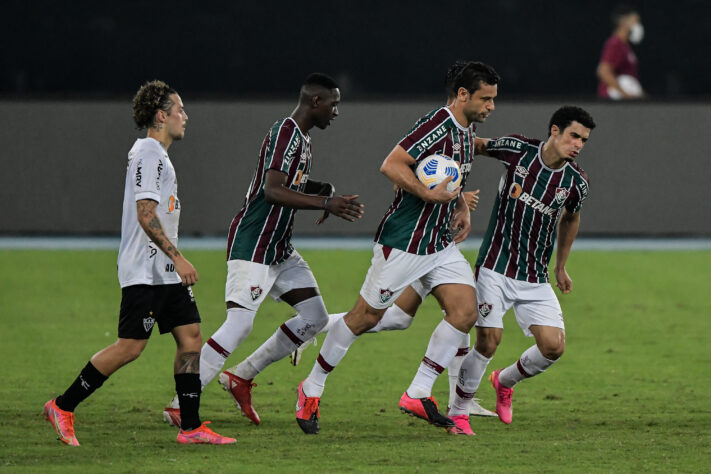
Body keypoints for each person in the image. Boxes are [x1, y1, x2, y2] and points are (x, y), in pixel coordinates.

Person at [295, 61, 500, 436]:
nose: (490, 107)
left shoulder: (467, 132)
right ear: (463, 95)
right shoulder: (436, 125)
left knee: (464, 312)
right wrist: (427, 193)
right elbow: (391, 164)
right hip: (404, 241)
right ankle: (311, 388)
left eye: (493, 100)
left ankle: (418, 391)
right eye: (485, 99)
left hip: (438, 243)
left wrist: (458, 208)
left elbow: (450, 177)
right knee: (364, 318)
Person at [162, 73, 364, 428]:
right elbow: (272, 190)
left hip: (280, 248)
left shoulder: (302, 140)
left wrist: (323, 190)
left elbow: (290, 182)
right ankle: (179, 404)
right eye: (334, 104)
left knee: (315, 318)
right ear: (315, 102)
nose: (337, 111)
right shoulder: (286, 133)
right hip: (254, 241)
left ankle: (241, 376)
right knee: (239, 324)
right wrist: (324, 202)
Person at [43, 80, 235, 446]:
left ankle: (191, 427)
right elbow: (145, 213)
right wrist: (178, 258)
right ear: (161, 116)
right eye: (180, 110)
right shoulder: (149, 153)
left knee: (191, 337)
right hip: (145, 271)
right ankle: (63, 406)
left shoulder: (156, 155)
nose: (185, 117)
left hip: (163, 273)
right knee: (130, 347)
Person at [448, 106, 594, 426]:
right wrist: (435, 155)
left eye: (583, 140)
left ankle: (504, 382)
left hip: (534, 275)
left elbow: (571, 217)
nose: (579, 144)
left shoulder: (575, 182)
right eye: (574, 136)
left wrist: (561, 266)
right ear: (554, 131)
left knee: (554, 347)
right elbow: (477, 144)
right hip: (495, 267)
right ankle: (459, 411)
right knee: (489, 340)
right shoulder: (518, 150)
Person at [597, 4, 645, 100]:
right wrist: (625, 95)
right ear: (624, 22)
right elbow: (603, 72)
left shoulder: (625, 47)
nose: (638, 26)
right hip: (613, 100)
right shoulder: (615, 43)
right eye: (635, 21)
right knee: (625, 81)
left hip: (626, 98)